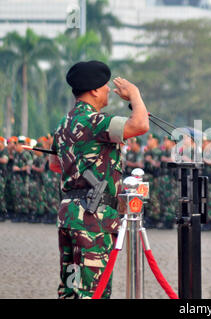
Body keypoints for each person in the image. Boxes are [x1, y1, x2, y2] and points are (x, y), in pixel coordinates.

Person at [49, 60, 149, 299]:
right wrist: (134, 93)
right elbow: (140, 124)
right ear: (94, 90)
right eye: (105, 86)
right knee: (93, 292)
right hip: (93, 217)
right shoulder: (97, 121)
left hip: (69, 213)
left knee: (70, 289)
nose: (107, 90)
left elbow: (54, 164)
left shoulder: (64, 124)